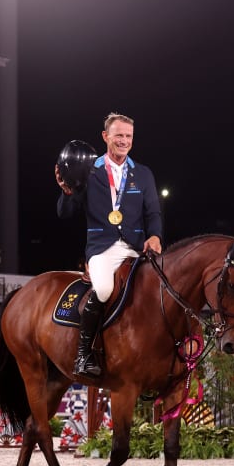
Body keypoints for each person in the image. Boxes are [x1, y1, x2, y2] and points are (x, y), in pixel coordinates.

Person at [55, 112, 163, 381]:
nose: (124, 141)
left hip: (137, 246)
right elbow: (64, 213)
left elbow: (153, 213)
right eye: (119, 136)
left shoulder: (144, 174)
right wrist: (66, 193)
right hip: (102, 248)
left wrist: (156, 236)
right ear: (106, 137)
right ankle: (84, 354)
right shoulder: (89, 170)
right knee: (104, 289)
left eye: (128, 136)